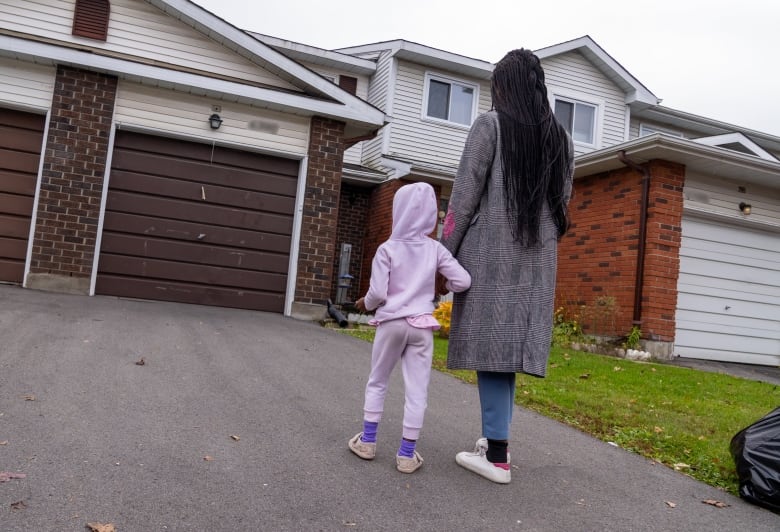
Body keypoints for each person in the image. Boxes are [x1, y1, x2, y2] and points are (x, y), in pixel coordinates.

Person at [439, 49, 574, 484]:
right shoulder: (561, 138)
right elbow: (563, 207)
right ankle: (495, 439)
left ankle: (497, 456)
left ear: (504, 86)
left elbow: (463, 198)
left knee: (494, 352)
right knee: (507, 351)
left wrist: (442, 253)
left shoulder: (489, 126)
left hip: (490, 254)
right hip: (536, 261)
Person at [348, 182, 471, 474]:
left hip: (391, 323)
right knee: (417, 391)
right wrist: (444, 284)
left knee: (378, 380)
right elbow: (463, 281)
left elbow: (378, 293)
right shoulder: (435, 249)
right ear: (431, 214)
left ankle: (367, 441)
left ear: (397, 211)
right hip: (421, 326)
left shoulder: (387, 249)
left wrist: (367, 302)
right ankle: (406, 454)